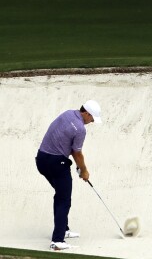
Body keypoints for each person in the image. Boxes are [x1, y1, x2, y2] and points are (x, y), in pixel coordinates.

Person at [35, 100, 102, 251]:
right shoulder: (80, 129)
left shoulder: (68, 114)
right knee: (64, 199)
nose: (91, 122)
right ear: (86, 113)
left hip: (41, 159)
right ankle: (57, 241)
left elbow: (67, 145)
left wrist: (79, 167)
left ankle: (63, 229)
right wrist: (84, 170)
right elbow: (77, 153)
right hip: (56, 163)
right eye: (92, 118)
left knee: (60, 195)